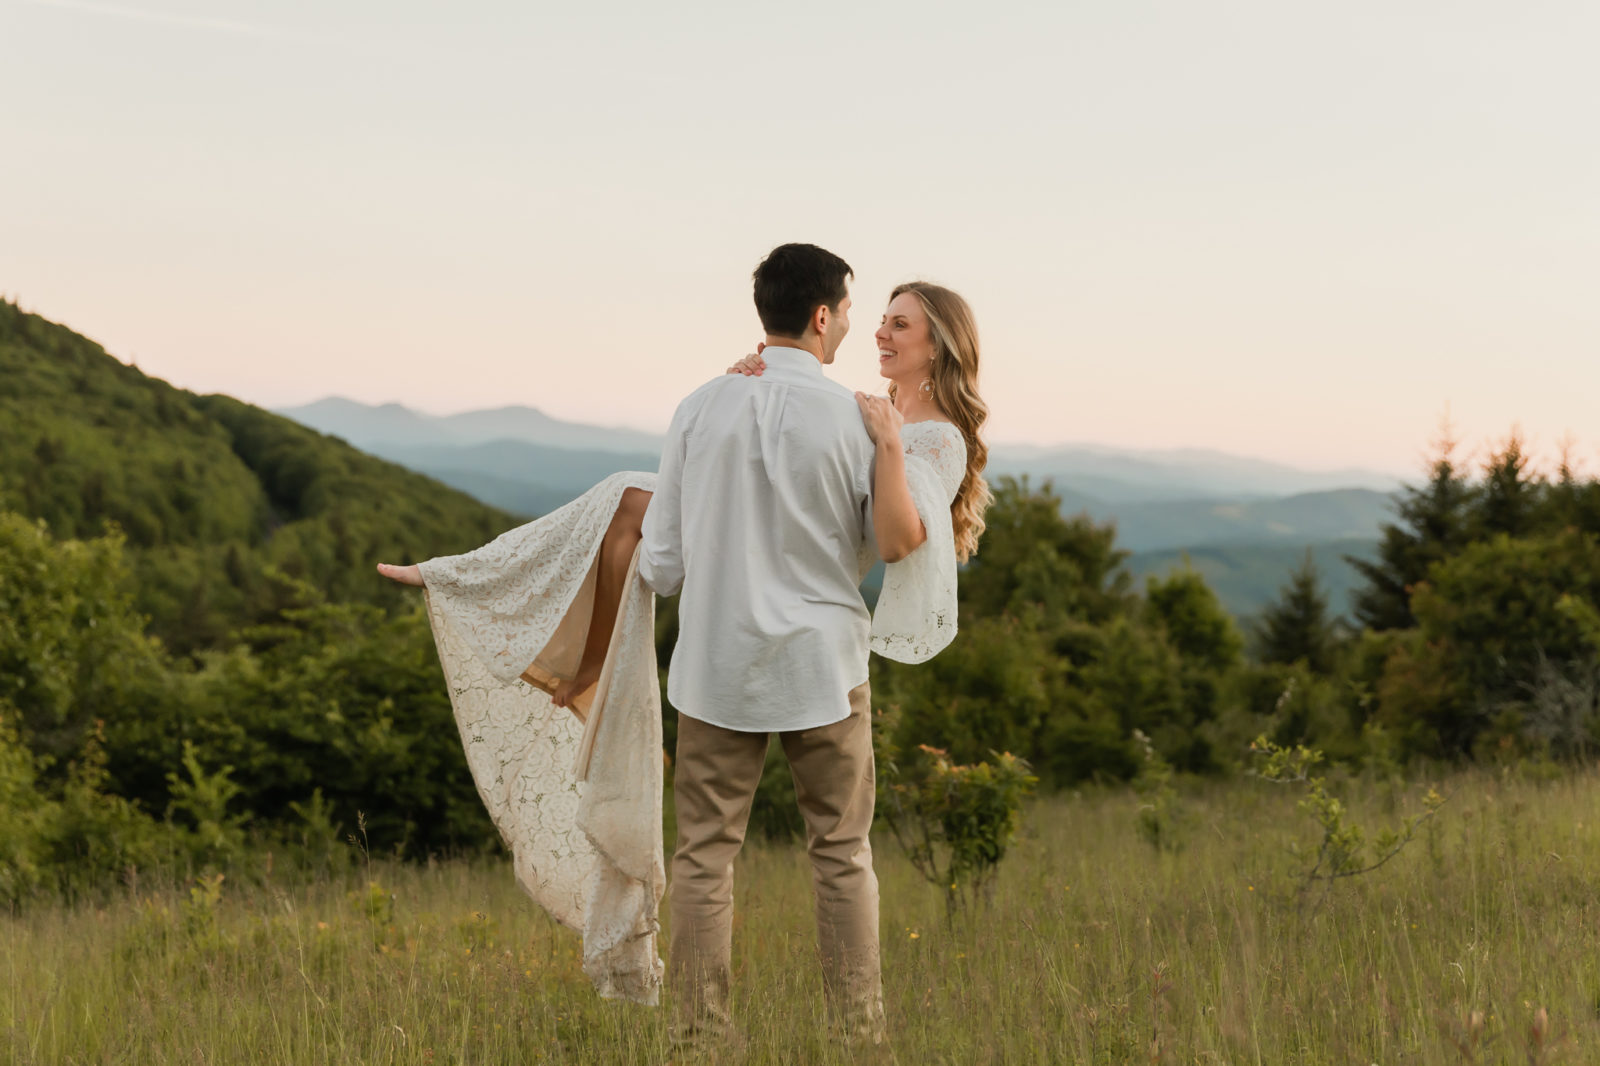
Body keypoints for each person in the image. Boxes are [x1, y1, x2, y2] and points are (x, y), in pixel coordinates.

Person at [375, 246, 991, 1049]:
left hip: (719, 669)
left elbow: (661, 568)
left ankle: (703, 1036)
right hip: (824, 669)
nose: (863, 325)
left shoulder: (707, 404)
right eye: (856, 311)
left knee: (706, 860)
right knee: (841, 853)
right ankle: (857, 1035)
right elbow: (877, 537)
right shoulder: (857, 419)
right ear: (821, 316)